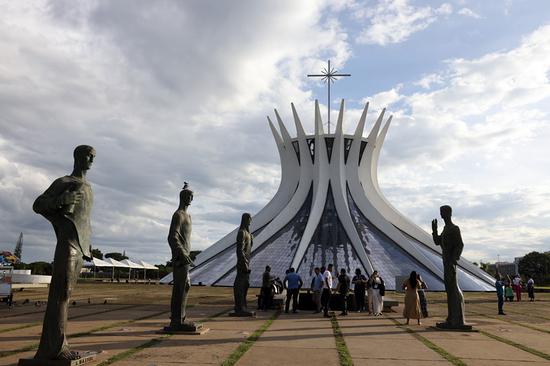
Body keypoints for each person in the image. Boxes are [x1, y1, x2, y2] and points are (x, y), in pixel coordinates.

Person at [33, 145, 96, 360]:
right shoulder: (65, 183)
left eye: (93, 157)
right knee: (60, 295)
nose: (91, 160)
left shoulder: (88, 187)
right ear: (78, 157)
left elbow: (84, 220)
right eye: (88, 156)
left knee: (65, 296)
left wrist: (88, 246)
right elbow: (38, 204)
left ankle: (57, 346)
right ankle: (55, 349)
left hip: (80, 247)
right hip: (67, 245)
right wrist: (61, 201)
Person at [165, 183, 197, 331]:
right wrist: (182, 253)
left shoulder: (188, 216)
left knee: (185, 286)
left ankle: (180, 318)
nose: (191, 198)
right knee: (180, 287)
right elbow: (172, 237)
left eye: (192, 196)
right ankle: (177, 320)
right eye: (188, 196)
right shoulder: (178, 215)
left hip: (185, 257)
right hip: (180, 258)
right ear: (183, 197)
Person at [432, 205, 468, 329]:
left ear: (449, 213)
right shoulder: (445, 229)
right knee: (449, 290)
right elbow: (437, 242)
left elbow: (460, 245)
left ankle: (457, 319)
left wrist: (454, 259)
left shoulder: (454, 228)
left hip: (450, 262)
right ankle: (452, 317)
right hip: (445, 261)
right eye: (440, 212)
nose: (441, 215)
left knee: (453, 289)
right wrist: (434, 230)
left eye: (443, 212)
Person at [233, 213, 254, 315]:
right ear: (245, 220)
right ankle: (239, 307)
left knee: (246, 284)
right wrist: (244, 263)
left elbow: (248, 250)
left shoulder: (248, 234)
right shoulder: (241, 233)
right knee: (240, 285)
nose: (251, 221)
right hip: (242, 263)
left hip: (247, 262)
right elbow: (239, 250)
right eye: (249, 219)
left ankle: (243, 306)